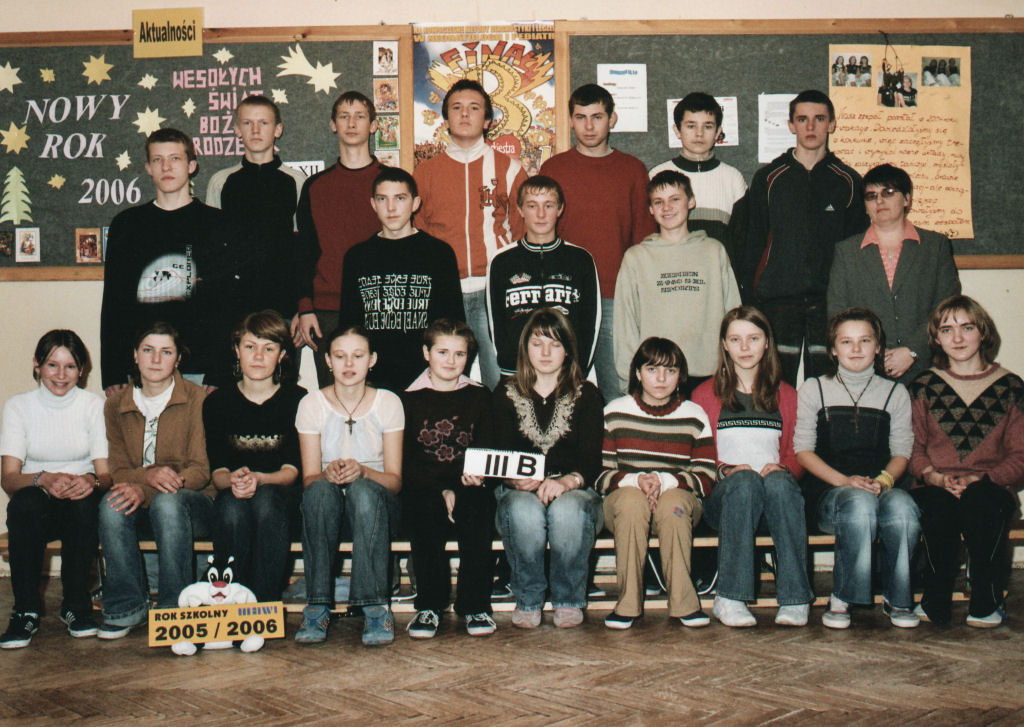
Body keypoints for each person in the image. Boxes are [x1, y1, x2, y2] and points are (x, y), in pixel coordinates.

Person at [794, 307, 920, 630]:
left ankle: (898, 599)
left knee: (904, 508)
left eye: (865, 340)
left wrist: (883, 482)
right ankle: (842, 598)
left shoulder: (895, 392)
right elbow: (803, 451)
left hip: (881, 486)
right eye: (846, 341)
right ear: (833, 349)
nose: (856, 349)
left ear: (878, 347)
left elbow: (902, 452)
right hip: (830, 491)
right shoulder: (814, 388)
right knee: (859, 502)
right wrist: (844, 482)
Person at [692, 307, 813, 628]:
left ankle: (796, 597)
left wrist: (784, 469)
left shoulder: (787, 395)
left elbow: (797, 451)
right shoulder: (704, 395)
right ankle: (730, 598)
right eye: (736, 339)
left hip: (774, 500)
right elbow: (696, 455)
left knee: (781, 482)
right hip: (725, 501)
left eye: (753, 339)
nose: (745, 347)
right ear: (724, 345)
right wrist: (724, 470)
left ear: (767, 343)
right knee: (745, 481)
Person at [909, 296, 1024, 627]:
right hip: (935, 484)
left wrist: (982, 479)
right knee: (939, 507)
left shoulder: (1011, 387)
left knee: (980, 502)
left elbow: (1020, 455)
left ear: (983, 333)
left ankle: (985, 603)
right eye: (947, 330)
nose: (957, 338)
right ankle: (935, 600)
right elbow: (912, 448)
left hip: (989, 486)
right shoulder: (923, 386)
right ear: (936, 338)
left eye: (967, 327)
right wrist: (933, 476)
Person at [740, 89, 868, 385]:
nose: (810, 127)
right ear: (791, 125)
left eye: (819, 119)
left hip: (829, 304)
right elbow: (752, 245)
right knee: (773, 388)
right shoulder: (769, 178)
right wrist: (751, 302)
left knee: (829, 388)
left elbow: (857, 251)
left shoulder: (848, 181)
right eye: (802, 119)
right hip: (777, 302)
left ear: (831, 124)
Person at [484, 308, 603, 628]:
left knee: (567, 510)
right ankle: (528, 599)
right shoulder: (504, 393)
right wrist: (512, 480)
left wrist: (567, 482)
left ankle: (568, 599)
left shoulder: (588, 395)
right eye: (537, 344)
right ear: (525, 349)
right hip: (519, 492)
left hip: (576, 490)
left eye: (555, 344)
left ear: (568, 350)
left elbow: (592, 460)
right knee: (523, 511)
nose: (546, 353)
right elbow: (496, 453)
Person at [541, 83, 657, 403]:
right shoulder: (554, 169)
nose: (589, 126)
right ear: (570, 121)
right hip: (564, 295)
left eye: (597, 117)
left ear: (612, 119)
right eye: (581, 117)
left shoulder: (633, 170)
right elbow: (541, 234)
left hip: (615, 297)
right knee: (560, 391)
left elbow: (644, 240)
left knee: (619, 389)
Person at [98, 322, 212, 638]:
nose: (156, 360)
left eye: (166, 352)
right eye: (148, 350)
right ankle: (126, 607)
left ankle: (174, 609)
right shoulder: (115, 404)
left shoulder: (197, 398)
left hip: (192, 503)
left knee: (167, 503)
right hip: (140, 496)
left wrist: (148, 486)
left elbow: (200, 471)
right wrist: (146, 478)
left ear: (178, 359)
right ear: (135, 355)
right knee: (111, 504)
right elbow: (118, 470)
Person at [101, 128, 238, 393]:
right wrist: (112, 371)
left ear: (191, 166)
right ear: (148, 168)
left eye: (175, 158)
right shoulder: (126, 226)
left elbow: (226, 306)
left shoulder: (217, 225)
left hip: (201, 370)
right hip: (140, 368)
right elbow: (114, 306)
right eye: (158, 159)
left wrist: (220, 371)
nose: (166, 167)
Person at [414, 78, 527, 390]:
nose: (465, 114)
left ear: (488, 120)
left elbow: (521, 231)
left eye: (474, 108)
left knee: (502, 383)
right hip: (444, 291)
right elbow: (419, 234)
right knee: (441, 382)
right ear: (446, 119)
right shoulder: (424, 174)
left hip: (493, 290)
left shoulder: (510, 169)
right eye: (457, 108)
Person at [294, 325, 403, 646]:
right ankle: (317, 606)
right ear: (328, 361)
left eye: (358, 355)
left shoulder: (388, 402)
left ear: (372, 359)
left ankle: (375, 607)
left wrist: (364, 472)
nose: (349, 364)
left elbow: (395, 481)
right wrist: (327, 474)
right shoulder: (311, 404)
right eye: (340, 356)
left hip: (377, 508)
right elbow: (309, 479)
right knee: (317, 491)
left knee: (363, 491)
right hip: (328, 507)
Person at [0, 330, 109, 648]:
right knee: (25, 504)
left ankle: (76, 606)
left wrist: (90, 480)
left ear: (82, 370)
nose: (61, 375)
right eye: (52, 365)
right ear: (37, 365)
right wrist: (43, 478)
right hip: (38, 501)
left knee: (84, 504)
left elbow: (106, 475)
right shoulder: (18, 407)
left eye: (70, 366)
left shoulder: (93, 405)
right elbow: (9, 478)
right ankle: (26, 611)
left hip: (79, 501)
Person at [598, 337, 715, 629]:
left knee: (672, 505)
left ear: (680, 376)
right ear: (638, 373)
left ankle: (685, 604)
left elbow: (706, 476)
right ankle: (627, 605)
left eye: (670, 371)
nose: (661, 379)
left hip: (677, 504)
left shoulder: (694, 415)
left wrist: (664, 481)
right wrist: (637, 481)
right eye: (652, 369)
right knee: (631, 501)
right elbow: (600, 474)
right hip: (625, 504)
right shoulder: (615, 411)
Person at [401, 319, 495, 638]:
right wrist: (440, 490)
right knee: (425, 512)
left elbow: (488, 448)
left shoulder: (480, 396)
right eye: (442, 352)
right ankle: (430, 605)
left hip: (468, 486)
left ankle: (475, 605)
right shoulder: (407, 399)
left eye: (460, 354)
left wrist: (476, 479)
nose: (451, 361)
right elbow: (405, 460)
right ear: (426, 353)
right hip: (424, 487)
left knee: (478, 508)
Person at [203, 310, 305, 602]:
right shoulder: (217, 403)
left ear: (282, 355)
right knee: (232, 507)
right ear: (237, 351)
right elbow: (218, 473)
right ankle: (232, 601)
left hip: (282, 498)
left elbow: (292, 472)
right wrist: (234, 481)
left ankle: (263, 603)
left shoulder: (298, 399)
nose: (258, 356)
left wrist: (259, 479)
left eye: (268, 348)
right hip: (232, 495)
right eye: (250, 347)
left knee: (265, 501)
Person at [828, 163, 960, 384]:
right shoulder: (847, 251)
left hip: (927, 367)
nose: (879, 201)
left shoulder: (935, 246)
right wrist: (873, 353)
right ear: (865, 206)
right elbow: (838, 312)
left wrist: (913, 351)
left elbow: (946, 306)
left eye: (888, 192)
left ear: (907, 199)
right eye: (871, 196)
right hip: (866, 369)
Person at [337, 167, 464, 392]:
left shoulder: (439, 254)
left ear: (415, 203)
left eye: (400, 198)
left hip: (427, 379)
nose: (391, 208)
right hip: (373, 380)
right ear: (373, 204)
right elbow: (349, 326)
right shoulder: (357, 257)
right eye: (382, 199)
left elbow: (454, 324)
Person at [292, 91, 387, 386]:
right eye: (344, 117)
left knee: (380, 397)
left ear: (373, 125)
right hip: (326, 312)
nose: (352, 123)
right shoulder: (315, 186)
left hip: (380, 307)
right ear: (333, 125)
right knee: (333, 398)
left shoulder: (390, 183)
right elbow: (304, 252)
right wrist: (305, 307)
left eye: (360, 116)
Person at [615, 170, 740, 393]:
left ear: (691, 202)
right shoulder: (636, 258)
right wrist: (630, 381)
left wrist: (734, 370)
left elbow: (734, 313)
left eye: (675, 199)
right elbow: (625, 325)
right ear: (650, 209)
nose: (667, 207)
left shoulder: (713, 251)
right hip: (658, 375)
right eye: (658, 202)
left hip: (709, 374)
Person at [487, 175, 601, 377]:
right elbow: (496, 325)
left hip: (567, 376)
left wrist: (577, 372)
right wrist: (512, 369)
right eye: (532, 206)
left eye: (548, 206)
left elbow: (590, 324)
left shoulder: (581, 260)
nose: (541, 214)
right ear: (520, 210)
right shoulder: (502, 261)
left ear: (560, 209)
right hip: (517, 376)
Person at [205, 95, 307, 319]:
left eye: (263, 123)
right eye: (247, 123)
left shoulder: (297, 181)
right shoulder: (221, 182)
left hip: (284, 302)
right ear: (237, 130)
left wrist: (303, 306)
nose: (255, 130)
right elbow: (213, 250)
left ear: (278, 129)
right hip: (235, 304)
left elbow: (303, 248)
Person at [649, 92, 747, 262]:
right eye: (691, 126)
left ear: (718, 132)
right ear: (677, 130)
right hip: (670, 269)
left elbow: (742, 243)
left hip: (717, 273)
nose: (699, 133)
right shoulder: (656, 176)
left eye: (708, 126)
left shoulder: (733, 179)